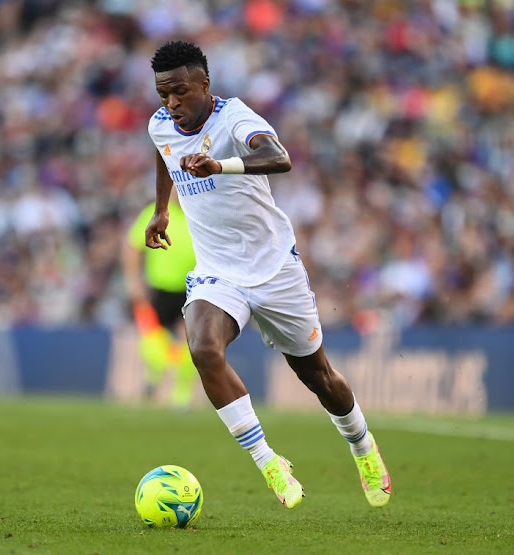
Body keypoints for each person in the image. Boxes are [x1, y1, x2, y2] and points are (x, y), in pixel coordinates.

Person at [145, 40, 391, 509]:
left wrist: (222, 164)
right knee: (202, 348)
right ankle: (269, 463)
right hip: (219, 272)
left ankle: (363, 448)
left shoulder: (236, 119)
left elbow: (279, 156)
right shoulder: (162, 124)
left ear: (204, 84)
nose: (172, 103)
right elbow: (163, 150)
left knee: (319, 378)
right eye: (163, 94)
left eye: (179, 91)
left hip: (275, 269)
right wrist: (162, 210)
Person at [122, 188, 198, 409]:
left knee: (191, 342)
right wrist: (134, 282)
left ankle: (182, 393)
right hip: (158, 288)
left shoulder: (200, 213)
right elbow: (132, 247)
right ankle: (154, 373)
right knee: (154, 341)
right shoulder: (156, 212)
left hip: (191, 288)